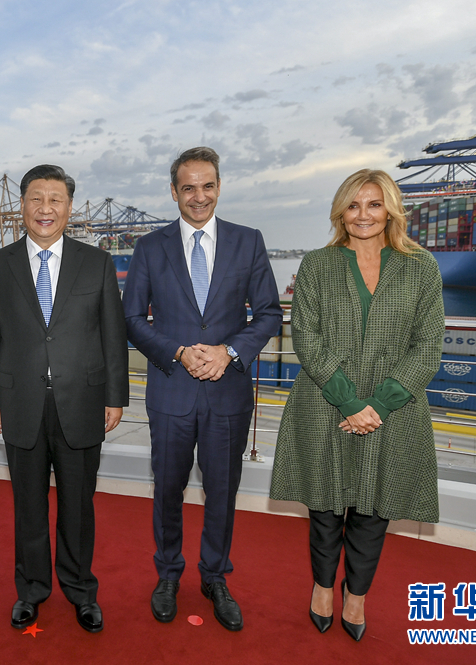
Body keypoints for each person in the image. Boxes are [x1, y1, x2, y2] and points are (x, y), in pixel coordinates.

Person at [270, 169, 444, 641]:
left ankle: (357, 595)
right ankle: (323, 587)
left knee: (373, 509)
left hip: (394, 408)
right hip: (325, 400)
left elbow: (428, 346)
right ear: (340, 213)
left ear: (391, 210)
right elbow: (306, 336)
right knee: (325, 506)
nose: (363, 214)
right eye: (353, 205)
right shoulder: (317, 265)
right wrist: (348, 401)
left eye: (373, 204)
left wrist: (379, 405)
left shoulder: (421, 267)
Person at [122, 147, 282, 631]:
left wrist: (229, 352)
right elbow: (132, 318)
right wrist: (176, 351)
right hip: (171, 390)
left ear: (219, 187)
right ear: (174, 192)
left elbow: (269, 313)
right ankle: (168, 574)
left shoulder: (248, 241)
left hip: (227, 393)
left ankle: (215, 577)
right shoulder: (150, 247)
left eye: (207, 185)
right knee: (167, 490)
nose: (199, 196)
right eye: (188, 187)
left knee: (222, 492)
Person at [0, 164, 129, 633]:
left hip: (82, 401)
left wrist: (116, 396)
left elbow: (112, 334)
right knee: (28, 507)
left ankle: (82, 590)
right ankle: (31, 590)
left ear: (69, 207)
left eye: (55, 199)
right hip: (19, 403)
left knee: (79, 507)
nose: (46, 208)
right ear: (21, 205)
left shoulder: (96, 262)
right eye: (36, 199)